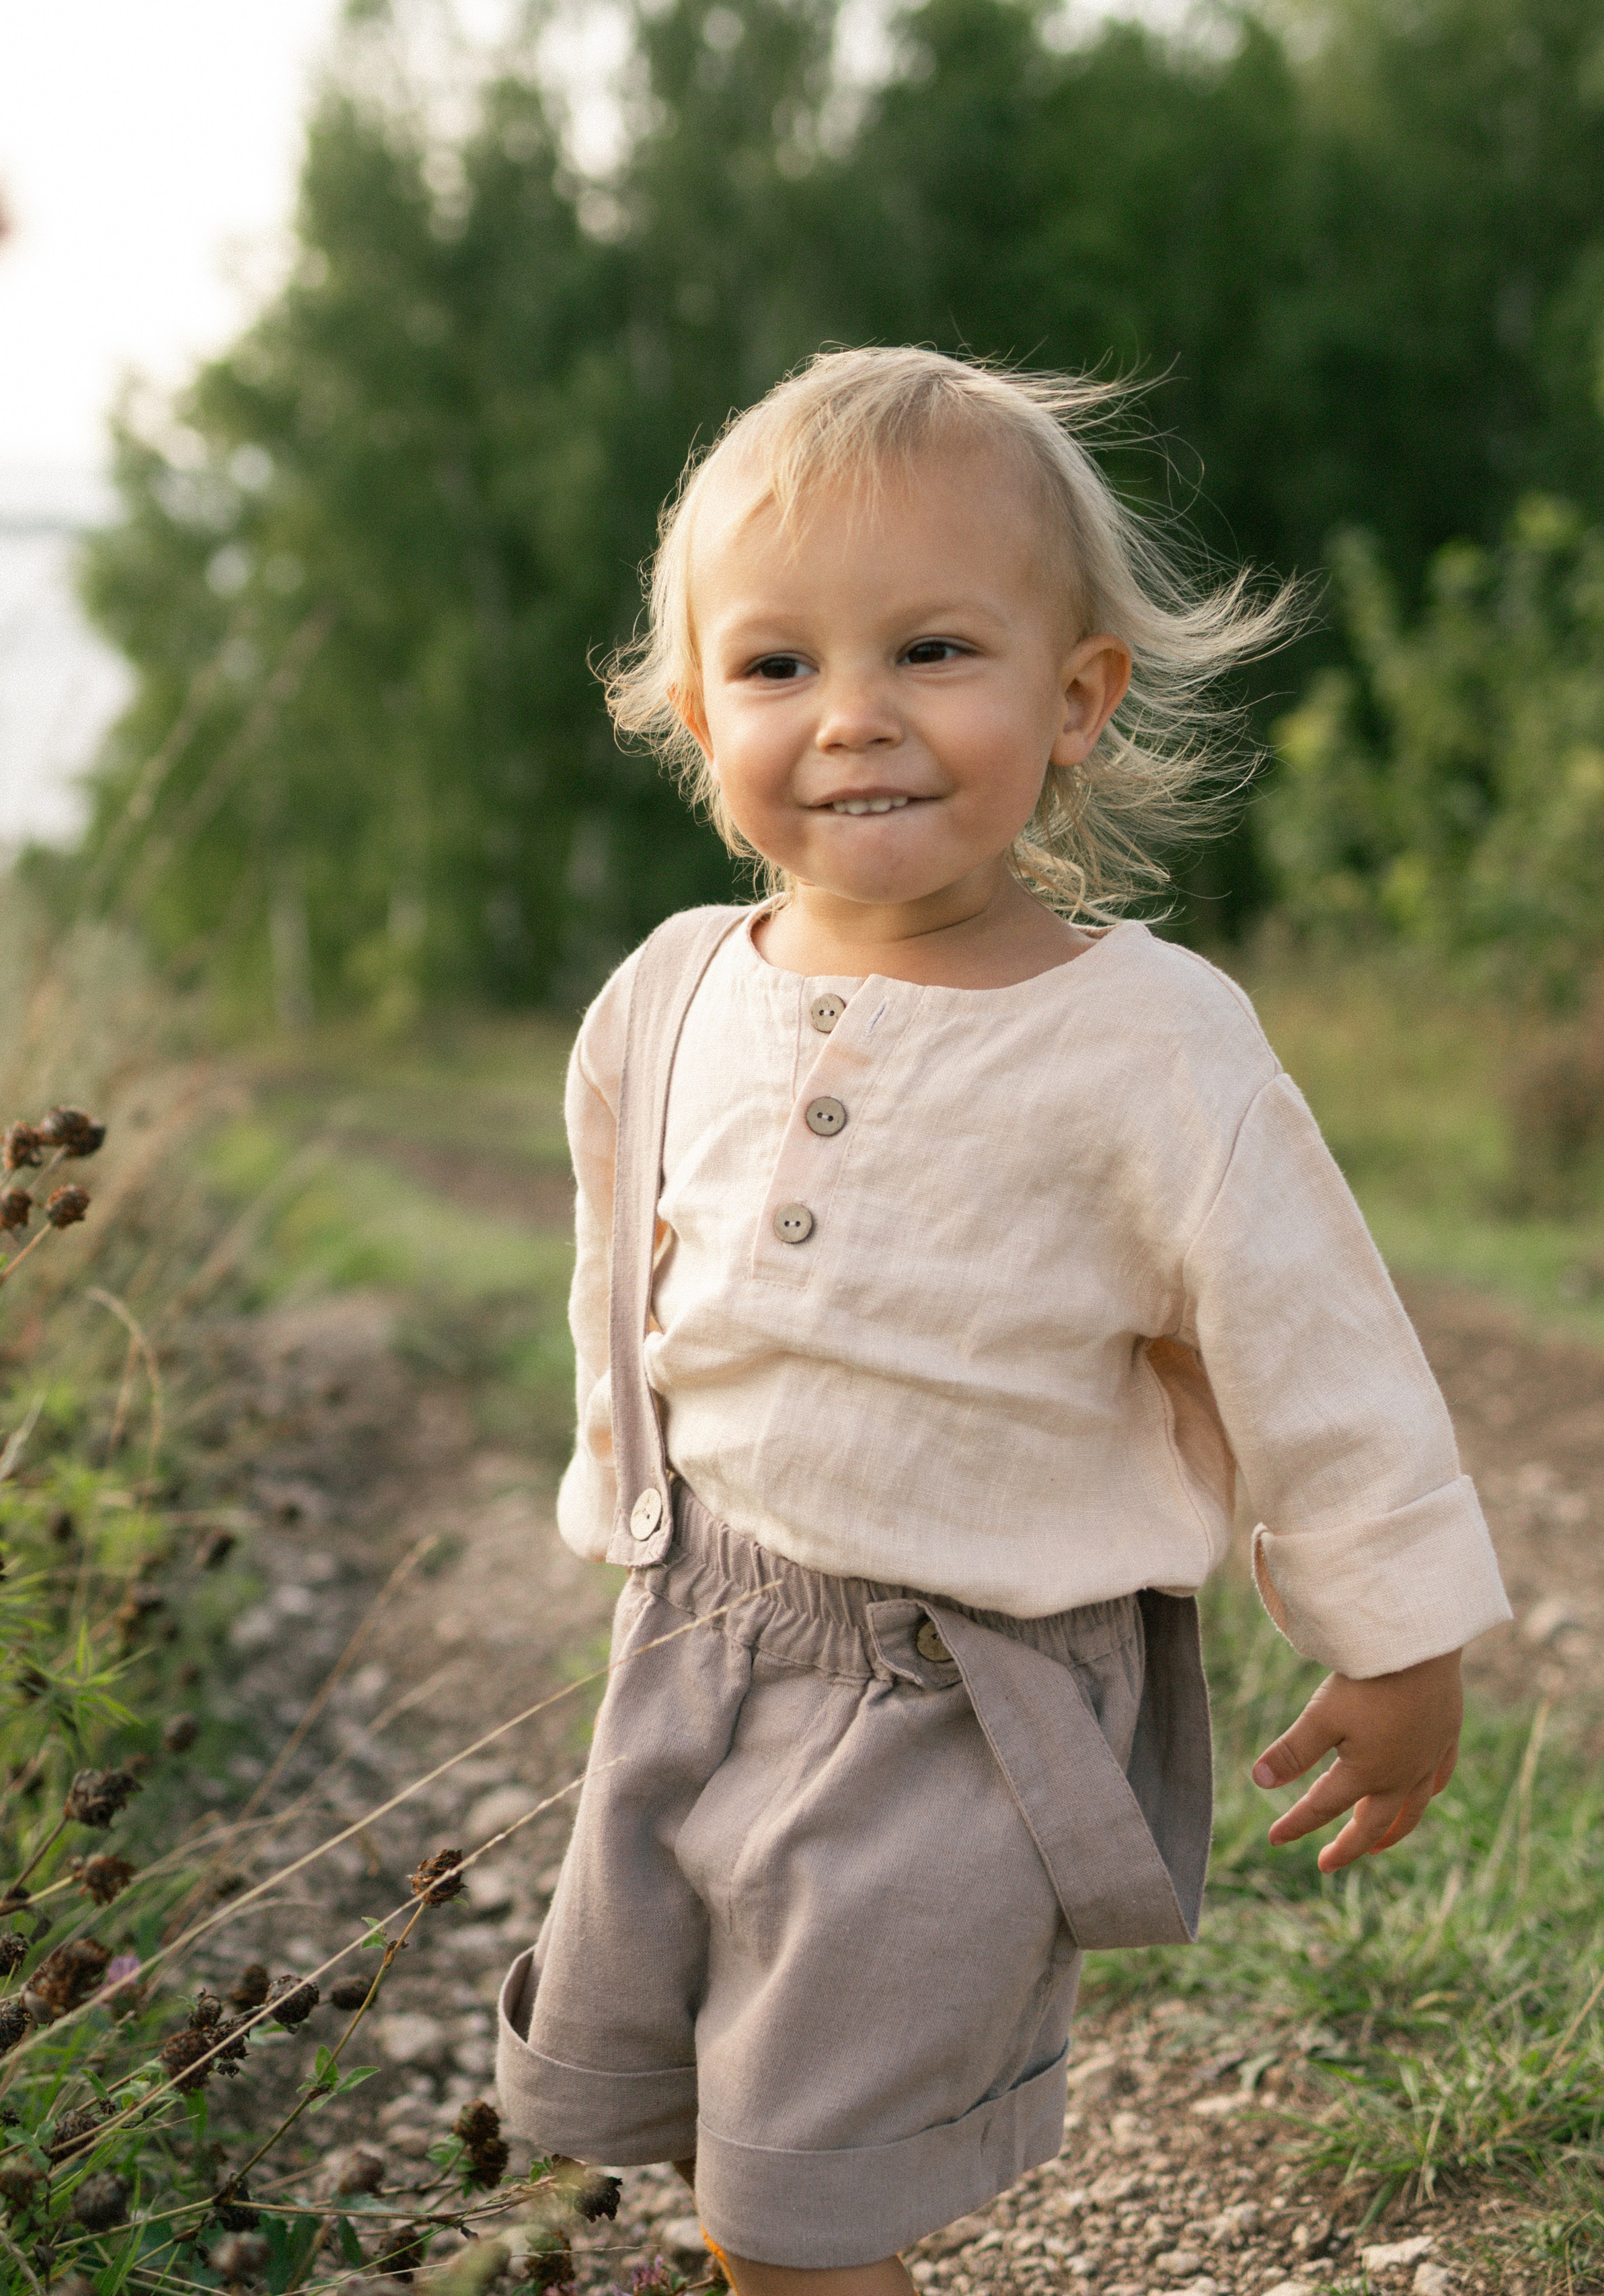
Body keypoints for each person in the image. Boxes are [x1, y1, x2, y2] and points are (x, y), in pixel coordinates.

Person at [494, 347, 1511, 2290]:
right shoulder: (670, 985)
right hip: (698, 1643)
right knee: (720, 2147)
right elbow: (621, 1252)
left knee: (804, 2197)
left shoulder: (1149, 1040)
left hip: (963, 1700)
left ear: (1078, 698)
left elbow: (1319, 1351)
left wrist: (1397, 1639)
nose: (854, 719)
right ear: (699, 712)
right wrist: (622, 1505)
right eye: (779, 667)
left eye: (934, 652)